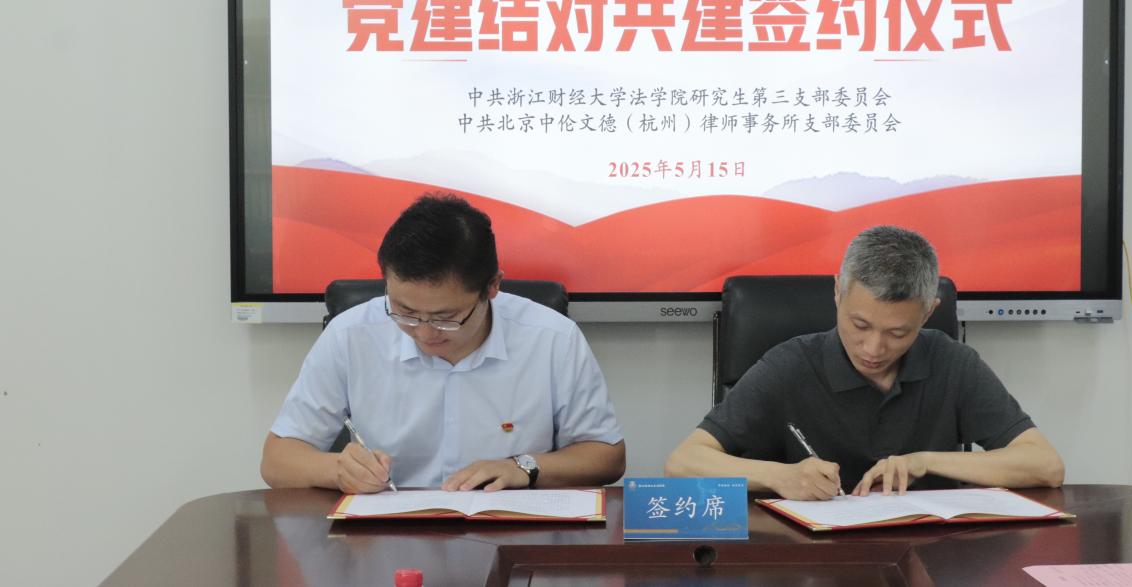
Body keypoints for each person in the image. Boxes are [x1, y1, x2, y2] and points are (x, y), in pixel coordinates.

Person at [665, 225, 1063, 500]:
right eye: (860, 325)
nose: (873, 348)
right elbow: (682, 463)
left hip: (925, 558)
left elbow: (1045, 466)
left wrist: (923, 462)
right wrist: (780, 476)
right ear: (838, 292)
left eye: (898, 333)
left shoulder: (952, 362)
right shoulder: (789, 366)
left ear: (928, 312)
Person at [261, 193, 625, 493]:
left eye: (446, 318)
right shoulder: (350, 335)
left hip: (512, 531)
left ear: (492, 287)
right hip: (389, 535)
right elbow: (277, 460)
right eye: (404, 312)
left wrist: (524, 467)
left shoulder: (553, 338)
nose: (424, 333)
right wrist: (338, 469)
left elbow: (606, 456)